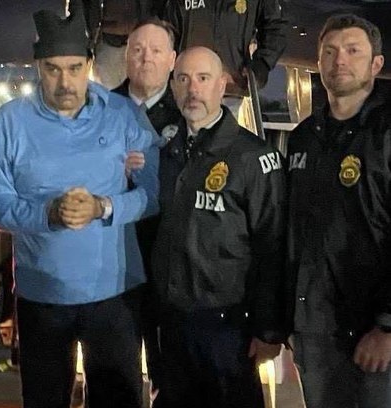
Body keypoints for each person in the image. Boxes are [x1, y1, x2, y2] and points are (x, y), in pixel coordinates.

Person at [0, 1, 160, 406]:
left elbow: (152, 195)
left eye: (75, 68)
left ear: (90, 65)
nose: (65, 82)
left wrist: (103, 207)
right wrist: (47, 212)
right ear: (37, 67)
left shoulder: (123, 115)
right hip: (41, 295)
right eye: (53, 69)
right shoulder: (9, 122)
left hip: (114, 294)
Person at [151, 46, 288, 407]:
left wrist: (269, 328)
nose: (192, 89)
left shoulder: (253, 157)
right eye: (183, 79)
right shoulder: (165, 151)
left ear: (223, 84)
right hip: (174, 323)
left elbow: (272, 246)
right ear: (172, 86)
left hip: (228, 328)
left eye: (203, 78)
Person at [286, 14, 391, 408]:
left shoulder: (385, 134)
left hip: (373, 337)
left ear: (376, 64)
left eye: (352, 51)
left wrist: (388, 327)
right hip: (314, 332)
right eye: (329, 52)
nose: (339, 60)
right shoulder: (303, 138)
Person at [111, 17, 180, 396]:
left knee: (169, 374)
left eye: (155, 50)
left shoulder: (189, 110)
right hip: (113, 260)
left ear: (172, 59)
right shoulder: (101, 108)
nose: (145, 58)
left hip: (170, 262)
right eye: (137, 50)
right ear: (125, 56)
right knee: (113, 376)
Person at [160, 0, 288, 93]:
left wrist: (262, 64)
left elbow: (275, 26)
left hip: (231, 88)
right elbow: (163, 32)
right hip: (186, 90)